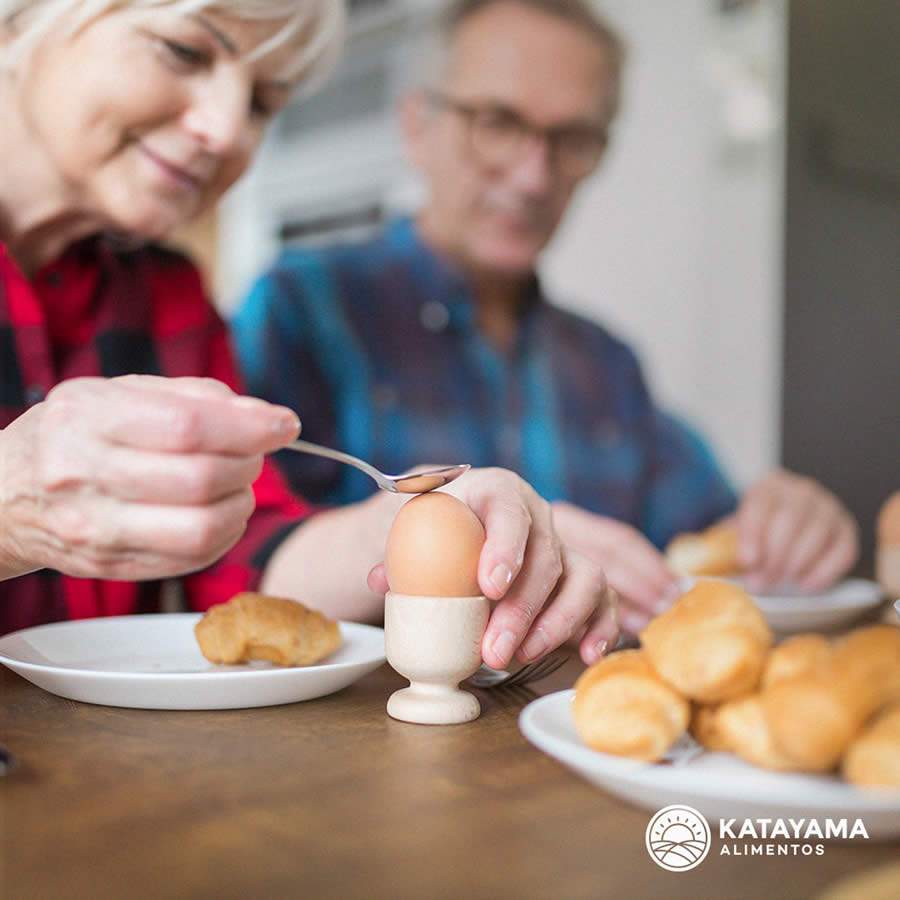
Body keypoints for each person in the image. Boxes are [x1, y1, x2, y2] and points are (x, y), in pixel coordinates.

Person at [0, 0, 619, 671]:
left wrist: (437, 519)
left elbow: (244, 558)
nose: (226, 131)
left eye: (262, 101)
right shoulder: (295, 299)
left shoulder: (166, 293)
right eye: (184, 51)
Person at [233, 0, 859, 636]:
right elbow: (238, 565)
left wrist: (778, 528)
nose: (535, 176)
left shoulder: (607, 365)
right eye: (497, 123)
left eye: (572, 139)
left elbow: (707, 541)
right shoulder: (301, 310)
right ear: (417, 125)